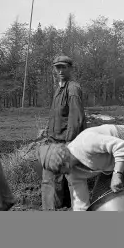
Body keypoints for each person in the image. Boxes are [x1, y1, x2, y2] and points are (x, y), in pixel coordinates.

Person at [39, 124, 124, 211]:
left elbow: (122, 147)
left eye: (60, 171)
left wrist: (117, 175)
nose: (63, 174)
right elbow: (80, 202)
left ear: (64, 163)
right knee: (101, 200)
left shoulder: (86, 143)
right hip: (110, 163)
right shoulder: (72, 173)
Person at [38, 55, 87, 210]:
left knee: (73, 180)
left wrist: (70, 142)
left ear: (70, 68)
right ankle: (52, 209)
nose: (60, 70)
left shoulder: (72, 88)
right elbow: (57, 114)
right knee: (50, 179)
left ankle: (77, 211)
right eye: (57, 67)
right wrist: (46, 131)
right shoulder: (59, 88)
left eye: (63, 67)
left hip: (66, 142)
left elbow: (76, 117)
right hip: (53, 141)